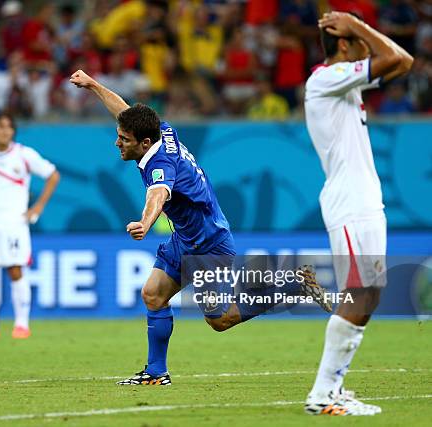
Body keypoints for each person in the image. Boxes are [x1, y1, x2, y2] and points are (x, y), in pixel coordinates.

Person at [69, 69, 331, 386]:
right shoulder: (160, 131)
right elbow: (124, 112)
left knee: (219, 320)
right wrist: (94, 85)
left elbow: (158, 194)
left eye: (124, 140)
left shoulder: (160, 165)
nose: (117, 143)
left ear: (144, 142)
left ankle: (292, 285)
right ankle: (155, 372)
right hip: (186, 240)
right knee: (153, 295)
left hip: (209, 247)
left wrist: (144, 223)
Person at [304, 11, 413, 416]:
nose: (368, 49)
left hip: (363, 199)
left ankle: (335, 388)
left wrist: (355, 27)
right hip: (350, 200)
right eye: (359, 44)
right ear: (346, 47)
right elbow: (400, 56)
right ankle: (322, 396)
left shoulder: (344, 82)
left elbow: (400, 62)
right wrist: (356, 24)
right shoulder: (326, 78)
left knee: (368, 294)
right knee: (359, 293)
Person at [0, 113, 60, 340]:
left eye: (8, 127)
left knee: (16, 269)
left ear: (13, 131)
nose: (4, 131)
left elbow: (53, 175)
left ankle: (22, 323)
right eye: (0, 127)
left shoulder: (23, 154)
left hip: (14, 221)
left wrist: (38, 208)